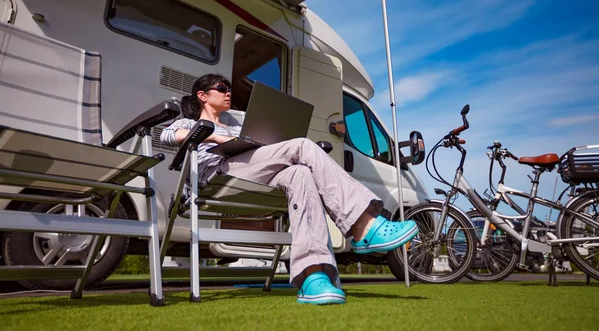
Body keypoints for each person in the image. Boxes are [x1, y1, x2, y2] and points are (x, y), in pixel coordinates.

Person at [161, 74, 418, 305]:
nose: (228, 91)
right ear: (202, 95)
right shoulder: (187, 122)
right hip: (217, 176)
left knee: (301, 173)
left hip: (250, 172)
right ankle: (364, 227)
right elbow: (168, 137)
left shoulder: (237, 127)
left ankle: (313, 277)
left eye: (229, 87)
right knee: (303, 147)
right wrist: (214, 136)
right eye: (221, 88)